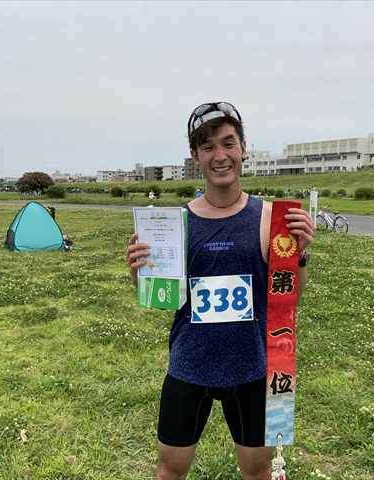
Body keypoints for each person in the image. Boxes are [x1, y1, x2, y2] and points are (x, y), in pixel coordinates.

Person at [126, 102, 315, 480]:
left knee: (258, 470)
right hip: (190, 364)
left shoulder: (272, 219)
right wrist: (139, 272)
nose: (220, 155)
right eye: (208, 146)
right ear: (195, 156)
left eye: (228, 143)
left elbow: (289, 297)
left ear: (243, 148)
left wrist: (301, 254)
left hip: (252, 368)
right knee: (169, 469)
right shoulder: (175, 224)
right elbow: (164, 296)